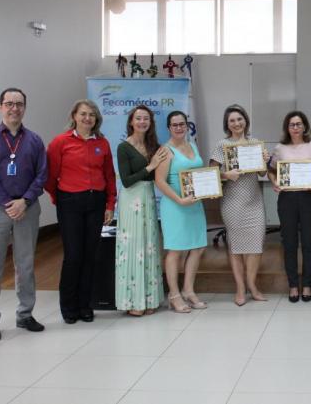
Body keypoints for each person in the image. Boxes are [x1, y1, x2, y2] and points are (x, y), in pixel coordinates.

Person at [0, 88, 47, 340]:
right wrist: (8, 202)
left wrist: (24, 201)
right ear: (0, 107)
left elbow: (42, 174)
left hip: (27, 208)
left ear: (25, 107)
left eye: (19, 103)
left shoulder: (35, 140)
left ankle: (25, 314)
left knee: (25, 264)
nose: (14, 108)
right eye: (9, 103)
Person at [45, 99, 117, 324]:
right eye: (83, 114)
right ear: (74, 116)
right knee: (73, 256)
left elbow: (109, 176)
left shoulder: (102, 144)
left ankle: (85, 305)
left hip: (96, 203)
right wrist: (60, 199)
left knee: (90, 256)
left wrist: (110, 205)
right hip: (70, 204)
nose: (87, 118)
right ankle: (69, 306)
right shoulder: (60, 142)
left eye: (92, 115)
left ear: (96, 120)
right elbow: (50, 177)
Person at [210, 104, 269, 306]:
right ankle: (240, 289)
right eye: (232, 121)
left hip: (254, 202)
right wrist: (226, 174)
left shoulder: (255, 143)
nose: (236, 123)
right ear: (227, 124)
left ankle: (252, 285)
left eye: (239, 119)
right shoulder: (222, 145)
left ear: (245, 120)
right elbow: (211, 173)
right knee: (236, 247)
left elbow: (262, 174)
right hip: (232, 202)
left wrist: (265, 161)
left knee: (255, 247)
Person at [115, 106, 168, 316]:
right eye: (138, 118)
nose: (142, 122)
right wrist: (150, 166)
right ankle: (133, 301)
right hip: (131, 200)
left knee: (149, 246)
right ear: (131, 121)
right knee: (133, 249)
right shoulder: (123, 147)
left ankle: (150, 297)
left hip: (148, 198)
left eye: (146, 118)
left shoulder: (154, 145)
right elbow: (126, 181)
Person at [155, 111, 208, 313]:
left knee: (197, 247)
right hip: (175, 205)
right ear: (169, 128)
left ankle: (188, 291)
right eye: (174, 125)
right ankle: (174, 295)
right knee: (175, 250)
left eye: (182, 124)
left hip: (194, 204)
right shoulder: (165, 150)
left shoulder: (192, 145)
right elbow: (159, 181)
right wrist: (179, 199)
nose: (179, 128)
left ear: (187, 126)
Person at [267, 111, 311, 302]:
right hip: (287, 199)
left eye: (299, 124)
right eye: (292, 124)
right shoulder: (279, 148)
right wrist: (274, 182)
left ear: (305, 126)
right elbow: (271, 171)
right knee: (289, 243)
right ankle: (293, 285)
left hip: (309, 197)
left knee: (309, 242)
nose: (296, 127)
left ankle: (307, 285)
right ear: (287, 127)